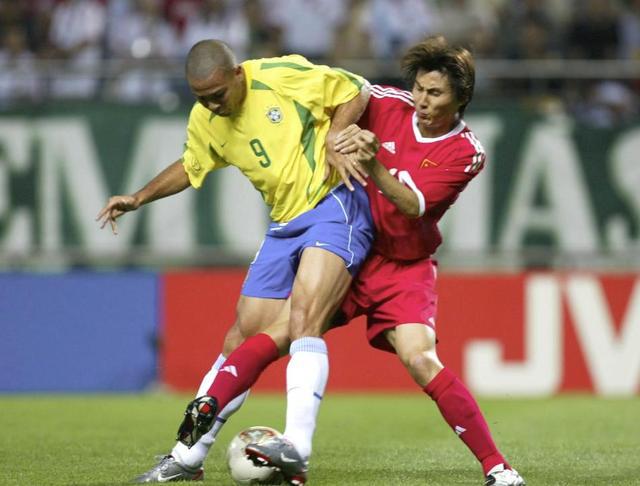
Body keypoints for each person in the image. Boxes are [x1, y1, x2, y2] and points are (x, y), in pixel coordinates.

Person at [160, 36, 525, 485]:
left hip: (404, 267)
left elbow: (412, 206)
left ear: (460, 98)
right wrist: (334, 135)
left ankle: (497, 468)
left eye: (435, 94)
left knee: (419, 358)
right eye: (418, 88)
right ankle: (196, 436)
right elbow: (350, 94)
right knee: (279, 331)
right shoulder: (389, 103)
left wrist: (371, 164)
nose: (422, 101)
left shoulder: (466, 152)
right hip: (353, 246)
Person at [96, 38, 374, 483]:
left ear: (237, 74)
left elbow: (356, 88)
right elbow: (192, 165)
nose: (212, 105)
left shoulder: (279, 75)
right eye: (201, 98)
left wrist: (335, 139)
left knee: (304, 319)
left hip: (333, 204)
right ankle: (187, 456)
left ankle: (297, 448)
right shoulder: (205, 118)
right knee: (239, 340)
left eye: (217, 95)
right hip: (284, 223)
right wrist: (139, 197)